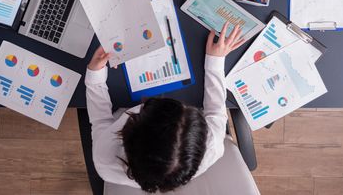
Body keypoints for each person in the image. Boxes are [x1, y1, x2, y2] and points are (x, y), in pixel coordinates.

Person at [85, 23, 245, 193]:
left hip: (121, 101)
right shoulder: (211, 145)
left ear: (129, 130)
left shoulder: (105, 158)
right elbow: (216, 111)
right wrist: (215, 61)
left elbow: (100, 120)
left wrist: (95, 75)